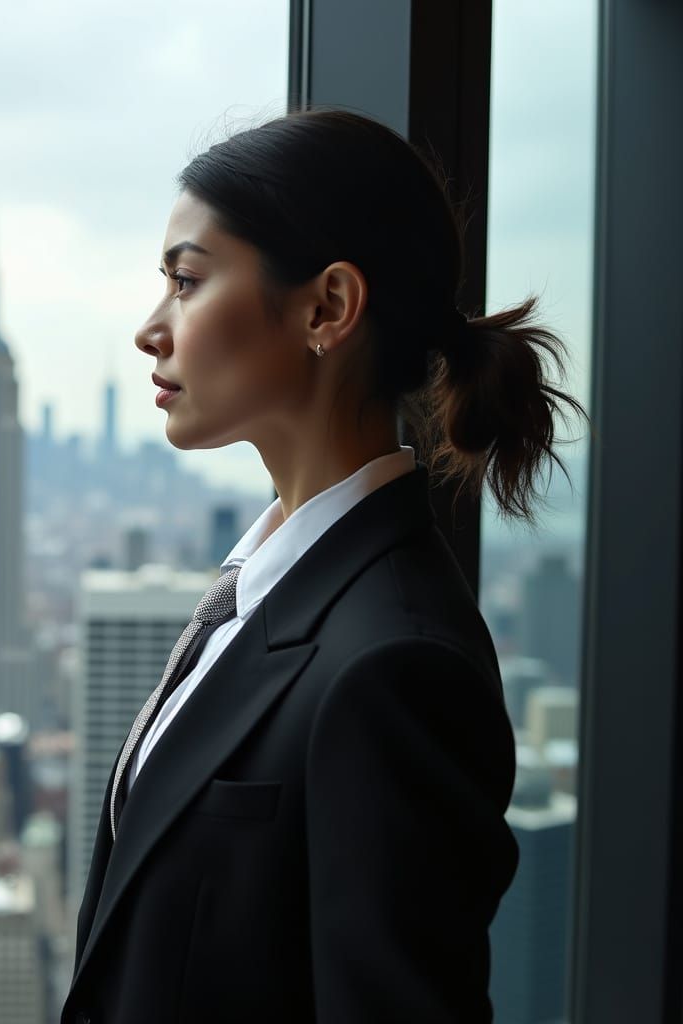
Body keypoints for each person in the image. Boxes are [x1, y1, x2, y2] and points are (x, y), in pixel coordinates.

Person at [61, 107, 589, 1024]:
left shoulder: (395, 665)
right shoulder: (264, 593)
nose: (151, 330)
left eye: (187, 282)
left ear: (327, 308)